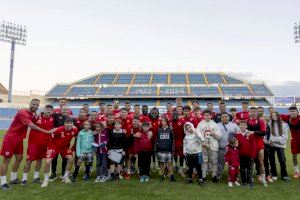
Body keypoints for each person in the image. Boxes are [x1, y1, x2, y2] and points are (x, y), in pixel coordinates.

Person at [0, 99, 55, 191]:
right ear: (30, 104)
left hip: (19, 139)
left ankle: (13, 178)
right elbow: (32, 125)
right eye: (34, 104)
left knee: (19, 158)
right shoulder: (23, 112)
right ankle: (3, 183)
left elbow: (39, 117)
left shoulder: (33, 114)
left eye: (37, 105)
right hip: (11, 139)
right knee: (6, 160)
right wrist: (47, 131)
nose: (36, 106)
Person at [21, 105, 55, 186]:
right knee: (29, 160)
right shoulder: (36, 116)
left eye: (50, 110)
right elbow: (28, 120)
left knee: (39, 160)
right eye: (47, 109)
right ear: (44, 109)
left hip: (44, 143)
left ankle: (36, 177)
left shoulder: (52, 119)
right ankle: (24, 179)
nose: (49, 111)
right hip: (34, 143)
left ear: (52, 112)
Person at [41, 117, 78, 187]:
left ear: (73, 124)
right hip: (54, 147)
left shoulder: (75, 130)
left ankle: (65, 177)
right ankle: (45, 180)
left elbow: (77, 139)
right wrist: (50, 148)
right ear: (64, 124)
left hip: (64, 148)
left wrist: (72, 148)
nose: (69, 125)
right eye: (67, 123)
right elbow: (50, 137)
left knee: (71, 159)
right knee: (47, 161)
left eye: (70, 123)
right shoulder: (58, 130)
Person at [196, 110, 221, 182]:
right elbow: (197, 134)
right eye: (205, 115)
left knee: (214, 161)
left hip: (213, 145)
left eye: (208, 115)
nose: (207, 116)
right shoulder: (200, 124)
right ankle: (203, 176)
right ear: (203, 116)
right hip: (204, 146)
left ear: (211, 116)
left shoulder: (214, 124)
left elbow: (219, 136)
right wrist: (203, 142)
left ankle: (214, 176)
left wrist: (213, 133)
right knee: (204, 161)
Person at [268, 111, 291, 182]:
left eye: (275, 115)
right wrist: (273, 140)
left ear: (278, 116)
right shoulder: (269, 124)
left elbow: (285, 137)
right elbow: (269, 136)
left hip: (280, 145)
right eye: (273, 115)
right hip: (271, 145)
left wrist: (274, 140)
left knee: (282, 160)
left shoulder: (283, 124)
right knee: (271, 160)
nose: (274, 117)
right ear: (271, 117)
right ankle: (274, 174)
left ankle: (284, 175)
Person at [247, 107, 268, 187]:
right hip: (250, 145)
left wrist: (253, 132)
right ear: (249, 113)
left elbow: (263, 133)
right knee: (250, 163)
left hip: (259, 145)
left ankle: (263, 179)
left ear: (257, 113)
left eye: (254, 112)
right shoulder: (247, 121)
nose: (252, 113)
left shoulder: (260, 122)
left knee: (261, 162)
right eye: (251, 112)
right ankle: (250, 178)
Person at [216, 113, 240, 181]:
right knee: (220, 163)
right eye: (222, 117)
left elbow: (238, 134)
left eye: (225, 117)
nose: (224, 118)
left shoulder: (234, 125)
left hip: (231, 149)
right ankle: (218, 175)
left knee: (233, 163)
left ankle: (234, 176)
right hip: (221, 148)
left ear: (229, 117)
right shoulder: (217, 125)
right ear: (220, 118)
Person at [234, 120, 256, 188]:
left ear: (246, 126)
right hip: (241, 155)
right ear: (239, 126)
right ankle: (244, 182)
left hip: (249, 155)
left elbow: (253, 145)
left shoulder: (250, 134)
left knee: (249, 169)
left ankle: (250, 181)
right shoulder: (237, 134)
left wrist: (253, 154)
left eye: (244, 125)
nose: (243, 126)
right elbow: (236, 145)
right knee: (242, 169)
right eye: (241, 125)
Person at [281, 106, 300, 178]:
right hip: (294, 140)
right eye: (291, 111)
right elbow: (276, 115)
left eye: (294, 111)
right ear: (289, 112)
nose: (292, 113)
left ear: (297, 112)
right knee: (294, 157)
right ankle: (297, 172)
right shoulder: (287, 118)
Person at [155, 117, 175, 182]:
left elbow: (173, 140)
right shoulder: (159, 130)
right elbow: (156, 140)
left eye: (164, 121)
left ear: (167, 122)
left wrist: (173, 150)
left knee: (170, 164)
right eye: (162, 121)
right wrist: (156, 149)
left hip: (168, 150)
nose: (163, 122)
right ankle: (162, 176)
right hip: (160, 150)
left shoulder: (170, 130)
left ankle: (172, 176)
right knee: (161, 164)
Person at [170, 110, 185, 177]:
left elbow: (184, 133)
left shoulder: (182, 122)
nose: (175, 115)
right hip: (172, 141)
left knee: (181, 155)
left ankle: (181, 169)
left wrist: (183, 141)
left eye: (176, 114)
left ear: (178, 114)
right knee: (173, 155)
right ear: (172, 115)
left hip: (180, 141)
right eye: (173, 114)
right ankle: (175, 165)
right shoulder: (169, 121)